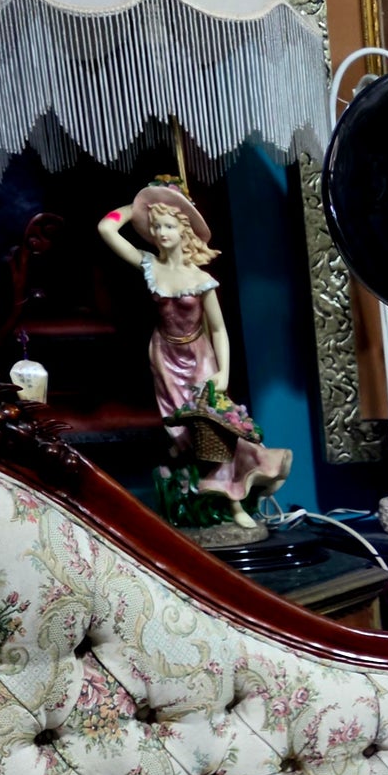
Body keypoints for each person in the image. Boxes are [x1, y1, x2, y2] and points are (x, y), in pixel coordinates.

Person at [99, 186, 291, 534]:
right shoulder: (149, 265)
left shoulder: (201, 279)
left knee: (216, 427)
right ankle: (196, 497)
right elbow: (106, 228)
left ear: (183, 230)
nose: (161, 232)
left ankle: (235, 501)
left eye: (169, 225)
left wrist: (223, 372)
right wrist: (139, 206)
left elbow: (218, 330)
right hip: (164, 356)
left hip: (199, 356)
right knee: (181, 433)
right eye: (156, 226)